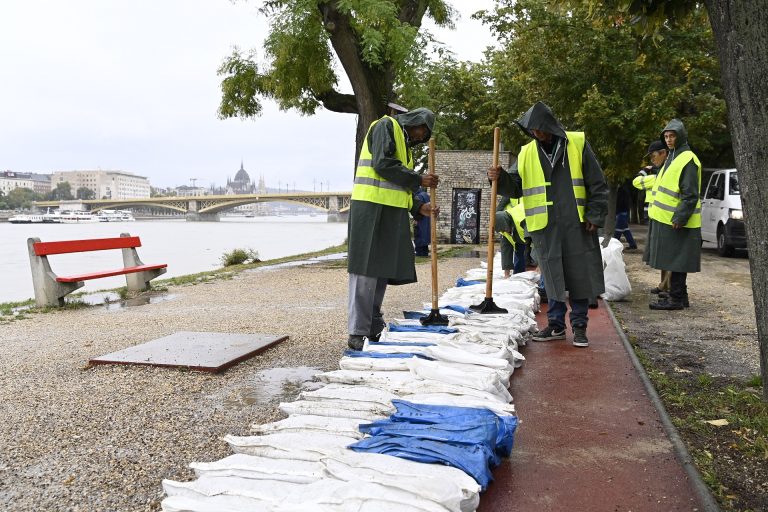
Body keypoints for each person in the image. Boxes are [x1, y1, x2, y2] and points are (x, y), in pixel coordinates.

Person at [488, 102, 608, 347]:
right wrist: (499, 179)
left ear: (550, 125)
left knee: (578, 274)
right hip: (544, 224)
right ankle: (555, 325)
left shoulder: (577, 143)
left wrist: (595, 215)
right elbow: (515, 186)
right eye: (531, 130)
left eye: (539, 128)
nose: (536, 133)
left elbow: (597, 182)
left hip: (576, 222)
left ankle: (580, 325)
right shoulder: (526, 153)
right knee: (551, 276)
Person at [347, 108, 439, 350]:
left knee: (381, 270)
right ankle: (357, 331)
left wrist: (420, 207)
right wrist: (419, 179)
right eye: (423, 131)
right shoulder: (384, 126)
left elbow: (399, 189)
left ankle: (373, 324)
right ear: (415, 121)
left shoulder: (405, 146)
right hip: (370, 208)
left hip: (391, 211)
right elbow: (383, 164)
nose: (421, 137)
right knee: (365, 271)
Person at [645, 119, 701, 310]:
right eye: (666, 136)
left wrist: (680, 217)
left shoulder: (687, 159)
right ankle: (680, 297)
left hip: (678, 221)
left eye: (672, 136)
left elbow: (690, 193)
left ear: (681, 136)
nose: (668, 140)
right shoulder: (673, 157)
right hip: (668, 218)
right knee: (675, 258)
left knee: (676, 259)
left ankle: (675, 299)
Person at [633, 140, 671, 295]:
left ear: (663, 153)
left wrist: (644, 171)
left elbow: (637, 182)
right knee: (662, 255)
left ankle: (665, 286)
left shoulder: (658, 176)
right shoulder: (658, 173)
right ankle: (664, 285)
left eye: (653, 156)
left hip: (666, 217)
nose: (652, 160)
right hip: (657, 216)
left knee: (668, 255)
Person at [495, 196, 527, 277]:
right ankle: (518, 274)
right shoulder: (503, 229)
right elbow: (506, 251)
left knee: (528, 254)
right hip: (509, 221)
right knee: (518, 254)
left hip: (523, 220)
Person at [613, 181, 638, 250]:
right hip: (624, 211)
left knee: (618, 230)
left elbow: (620, 202)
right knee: (625, 230)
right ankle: (632, 245)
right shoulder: (624, 189)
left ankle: (613, 245)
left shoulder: (621, 191)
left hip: (621, 211)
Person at [413, 187, 431, 257]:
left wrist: (416, 219)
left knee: (419, 235)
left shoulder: (418, 196)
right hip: (427, 218)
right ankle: (425, 252)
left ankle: (419, 253)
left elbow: (418, 209)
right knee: (425, 236)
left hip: (421, 220)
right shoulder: (426, 195)